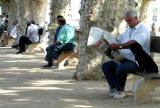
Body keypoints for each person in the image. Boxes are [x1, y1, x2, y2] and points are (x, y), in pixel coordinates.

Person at [101, 9, 150, 98]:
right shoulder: (129, 30)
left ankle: (120, 90)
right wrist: (106, 40)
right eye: (126, 21)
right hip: (126, 58)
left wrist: (119, 46)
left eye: (129, 20)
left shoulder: (142, 28)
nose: (128, 23)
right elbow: (117, 39)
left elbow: (134, 43)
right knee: (106, 66)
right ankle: (115, 87)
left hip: (138, 61)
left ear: (136, 18)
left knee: (121, 68)